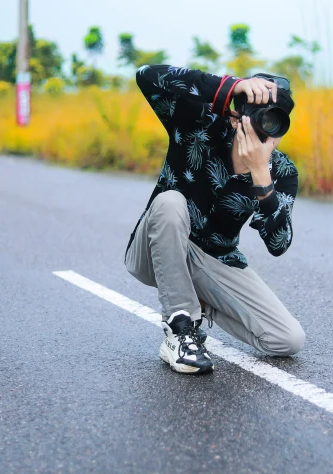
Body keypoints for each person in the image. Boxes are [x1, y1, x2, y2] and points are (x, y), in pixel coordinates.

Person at [124, 64, 304, 374]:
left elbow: (279, 243)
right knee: (170, 202)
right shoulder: (199, 123)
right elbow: (146, 75)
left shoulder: (281, 171)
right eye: (260, 112)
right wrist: (231, 86)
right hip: (154, 249)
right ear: (237, 113)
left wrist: (260, 173)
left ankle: (200, 300)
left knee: (288, 339)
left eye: (275, 117)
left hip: (213, 261)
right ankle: (181, 333)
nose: (266, 125)